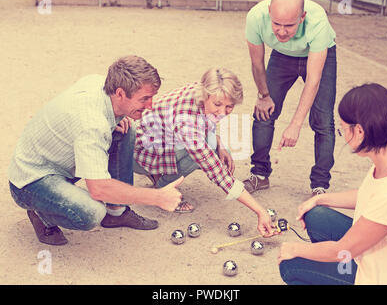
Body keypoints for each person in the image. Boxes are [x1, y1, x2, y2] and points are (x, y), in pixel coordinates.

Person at [8, 55, 183, 246]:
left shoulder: (100, 83)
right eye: (145, 99)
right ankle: (41, 214)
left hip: (58, 160)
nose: (150, 105)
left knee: (126, 128)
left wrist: (118, 115)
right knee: (91, 213)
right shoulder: (92, 125)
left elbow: (94, 118)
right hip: (30, 181)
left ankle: (117, 212)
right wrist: (157, 197)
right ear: (120, 93)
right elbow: (98, 189)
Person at [133, 68, 276, 237]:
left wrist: (220, 143)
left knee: (215, 145)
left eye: (229, 106)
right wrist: (260, 211)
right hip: (141, 155)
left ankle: (159, 173)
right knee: (207, 150)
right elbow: (220, 175)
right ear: (206, 95)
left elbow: (205, 122)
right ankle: (163, 186)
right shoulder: (187, 122)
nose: (223, 112)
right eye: (218, 105)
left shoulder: (200, 90)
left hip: (159, 142)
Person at [278, 83, 387, 285]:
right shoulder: (385, 158)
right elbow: (368, 195)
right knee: (316, 214)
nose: (343, 137)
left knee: (291, 264)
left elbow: (345, 249)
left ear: (359, 131)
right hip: (365, 251)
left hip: (375, 275)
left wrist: (294, 248)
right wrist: (319, 198)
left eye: (342, 130)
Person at [244, 0, 337, 197]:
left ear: (302, 17)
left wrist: (295, 124)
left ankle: (319, 186)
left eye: (289, 25)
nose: (282, 32)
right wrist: (263, 95)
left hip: (320, 54)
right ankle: (259, 174)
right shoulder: (255, 17)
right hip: (282, 56)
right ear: (269, 12)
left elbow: (313, 81)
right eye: (276, 24)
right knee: (263, 113)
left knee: (323, 120)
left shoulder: (318, 20)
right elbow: (257, 63)